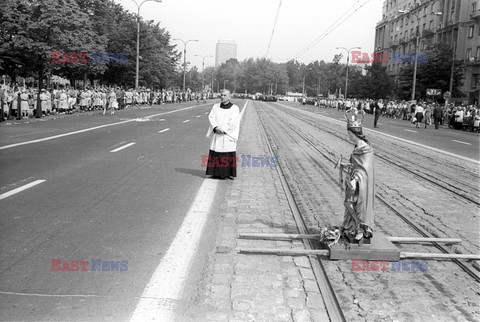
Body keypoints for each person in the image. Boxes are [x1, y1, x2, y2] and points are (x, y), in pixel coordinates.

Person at [337, 109, 375, 243]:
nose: (348, 136)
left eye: (349, 133)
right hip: (353, 182)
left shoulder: (365, 149)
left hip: (360, 185)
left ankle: (361, 227)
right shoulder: (357, 147)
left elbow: (365, 169)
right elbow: (356, 165)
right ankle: (351, 226)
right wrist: (344, 165)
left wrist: (356, 179)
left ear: (354, 133)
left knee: (354, 204)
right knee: (348, 203)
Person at [205, 90, 241, 179]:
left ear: (229, 97)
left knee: (226, 153)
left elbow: (234, 122)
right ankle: (215, 173)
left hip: (227, 134)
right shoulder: (215, 106)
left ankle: (227, 173)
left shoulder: (234, 108)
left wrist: (223, 130)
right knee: (216, 152)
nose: (222, 97)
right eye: (221, 95)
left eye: (225, 95)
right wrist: (216, 127)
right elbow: (211, 117)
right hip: (217, 133)